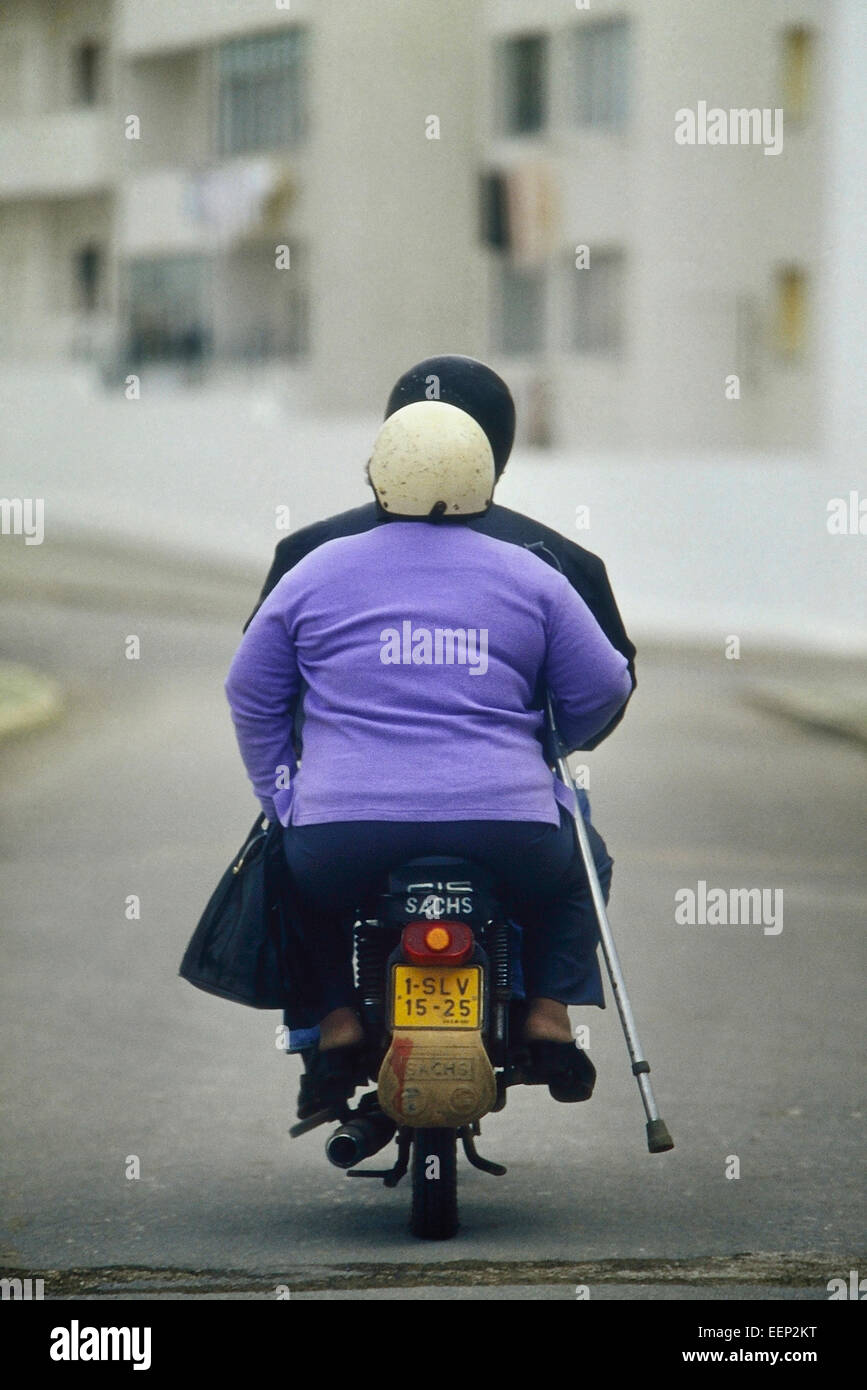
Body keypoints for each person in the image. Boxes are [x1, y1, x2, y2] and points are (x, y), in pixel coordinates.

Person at [225, 400, 633, 1117]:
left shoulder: (316, 572)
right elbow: (604, 685)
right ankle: (546, 1012)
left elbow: (250, 691)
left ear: (378, 478)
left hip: (343, 830)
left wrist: (282, 797)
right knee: (579, 867)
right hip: (509, 826)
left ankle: (338, 1023)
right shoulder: (531, 576)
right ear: (487, 480)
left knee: (292, 883)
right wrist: (548, 742)